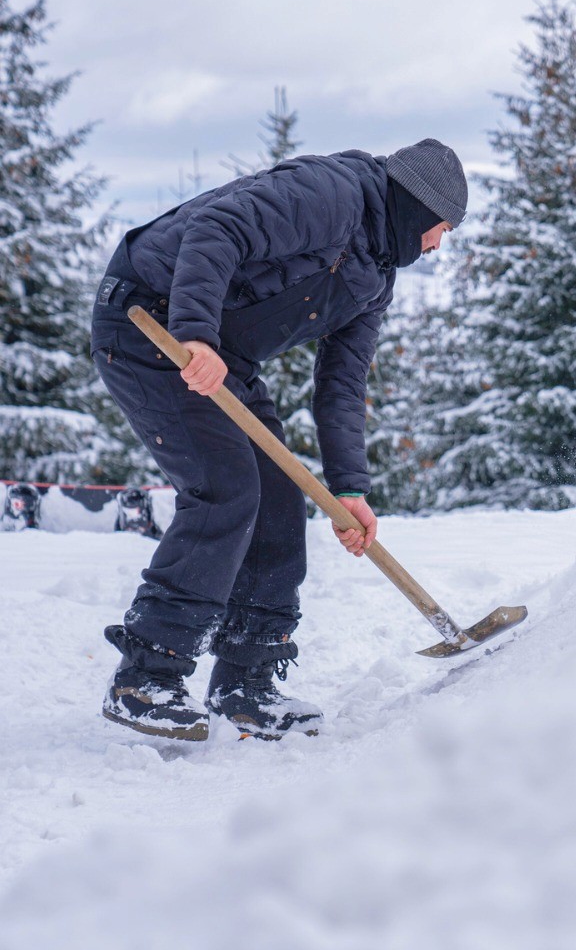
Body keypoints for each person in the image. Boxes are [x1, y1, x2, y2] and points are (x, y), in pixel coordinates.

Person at [91, 139, 468, 741]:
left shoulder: (376, 276)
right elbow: (217, 228)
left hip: (223, 355)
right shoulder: (332, 194)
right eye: (440, 229)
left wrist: (348, 489)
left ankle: (247, 681)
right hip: (152, 322)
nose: (436, 245)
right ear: (418, 208)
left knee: (279, 498)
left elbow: (342, 383)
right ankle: (145, 676)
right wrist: (197, 336)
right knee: (226, 488)